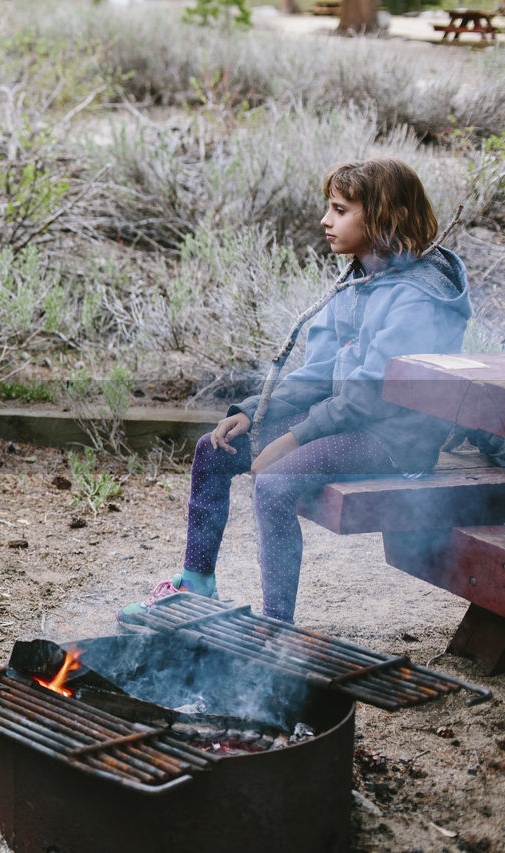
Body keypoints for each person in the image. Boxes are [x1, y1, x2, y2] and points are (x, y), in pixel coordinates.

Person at [119, 157, 471, 625]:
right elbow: (321, 370)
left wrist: (293, 438)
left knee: (275, 483)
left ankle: (275, 627)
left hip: (395, 441)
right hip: (350, 423)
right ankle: (196, 585)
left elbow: (369, 395)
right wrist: (254, 411)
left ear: (386, 216)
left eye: (341, 210)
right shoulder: (359, 279)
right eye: (330, 208)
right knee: (215, 449)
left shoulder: (414, 298)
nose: (326, 220)